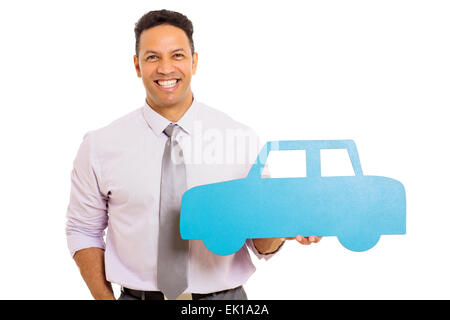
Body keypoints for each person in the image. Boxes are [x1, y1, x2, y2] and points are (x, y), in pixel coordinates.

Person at [65, 9, 321, 301]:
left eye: (177, 55)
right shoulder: (100, 145)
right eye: (152, 57)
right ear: (137, 65)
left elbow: (260, 242)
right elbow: (82, 229)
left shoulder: (240, 139)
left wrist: (284, 226)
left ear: (194, 61)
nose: (165, 68)